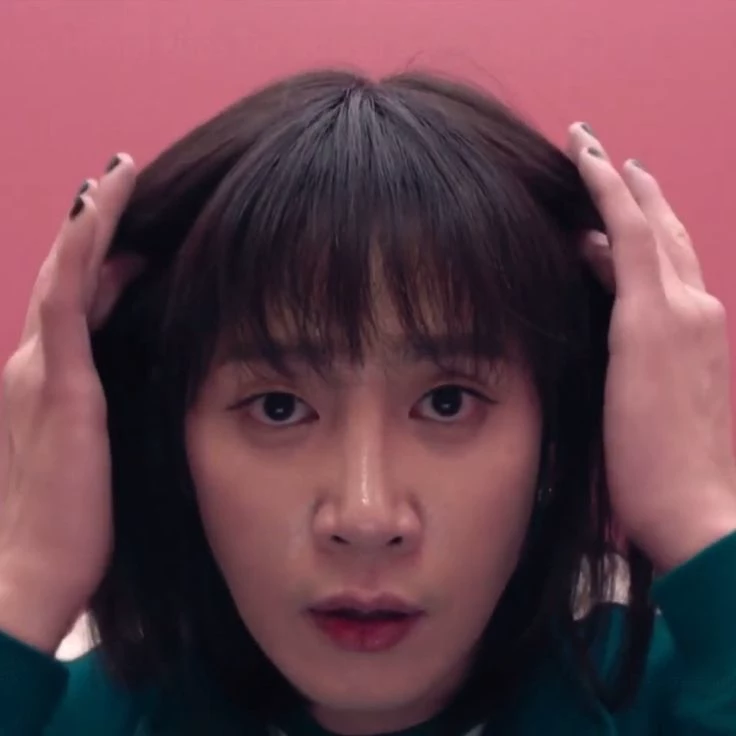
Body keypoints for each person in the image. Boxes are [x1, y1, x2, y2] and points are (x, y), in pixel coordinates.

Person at [0, 69, 735, 736]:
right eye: (278, 407)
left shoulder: (683, 691)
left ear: (555, 435)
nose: (366, 518)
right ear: (171, 444)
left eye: (447, 402)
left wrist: (697, 513)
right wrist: (24, 581)